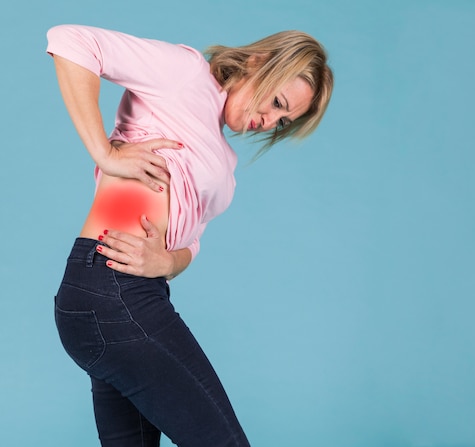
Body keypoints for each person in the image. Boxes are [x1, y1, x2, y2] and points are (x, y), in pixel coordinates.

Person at [47, 24, 333, 447]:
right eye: (276, 102)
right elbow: (72, 41)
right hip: (111, 290)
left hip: (130, 296)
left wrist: (167, 262)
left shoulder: (225, 166)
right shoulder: (184, 73)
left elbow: (190, 241)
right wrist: (103, 152)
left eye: (281, 121)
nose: (268, 121)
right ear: (258, 62)